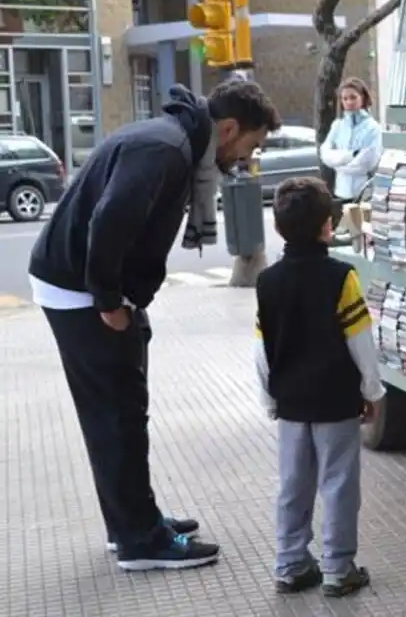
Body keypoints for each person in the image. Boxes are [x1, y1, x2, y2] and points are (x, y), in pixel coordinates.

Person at [27, 79, 281, 571]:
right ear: (227, 128)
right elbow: (111, 220)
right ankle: (140, 541)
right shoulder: (164, 150)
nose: (247, 158)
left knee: (119, 412)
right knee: (117, 415)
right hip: (82, 291)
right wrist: (108, 302)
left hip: (80, 285)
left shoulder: (172, 141)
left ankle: (132, 522)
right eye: (250, 145)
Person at [252, 176, 385, 597]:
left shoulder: (267, 282)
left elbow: (262, 350)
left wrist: (270, 399)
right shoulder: (341, 277)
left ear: (277, 228)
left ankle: (290, 565)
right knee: (339, 483)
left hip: (291, 402)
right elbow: (359, 339)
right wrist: (372, 390)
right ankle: (337, 568)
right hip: (335, 400)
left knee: (293, 485)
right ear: (329, 227)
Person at [319, 77, 382, 232]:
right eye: (345, 98)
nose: (349, 102)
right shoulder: (338, 125)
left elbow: (365, 163)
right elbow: (325, 153)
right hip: (340, 191)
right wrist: (350, 155)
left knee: (360, 235)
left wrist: (338, 164)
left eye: (353, 97)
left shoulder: (373, 128)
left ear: (363, 98)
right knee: (342, 236)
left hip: (363, 193)